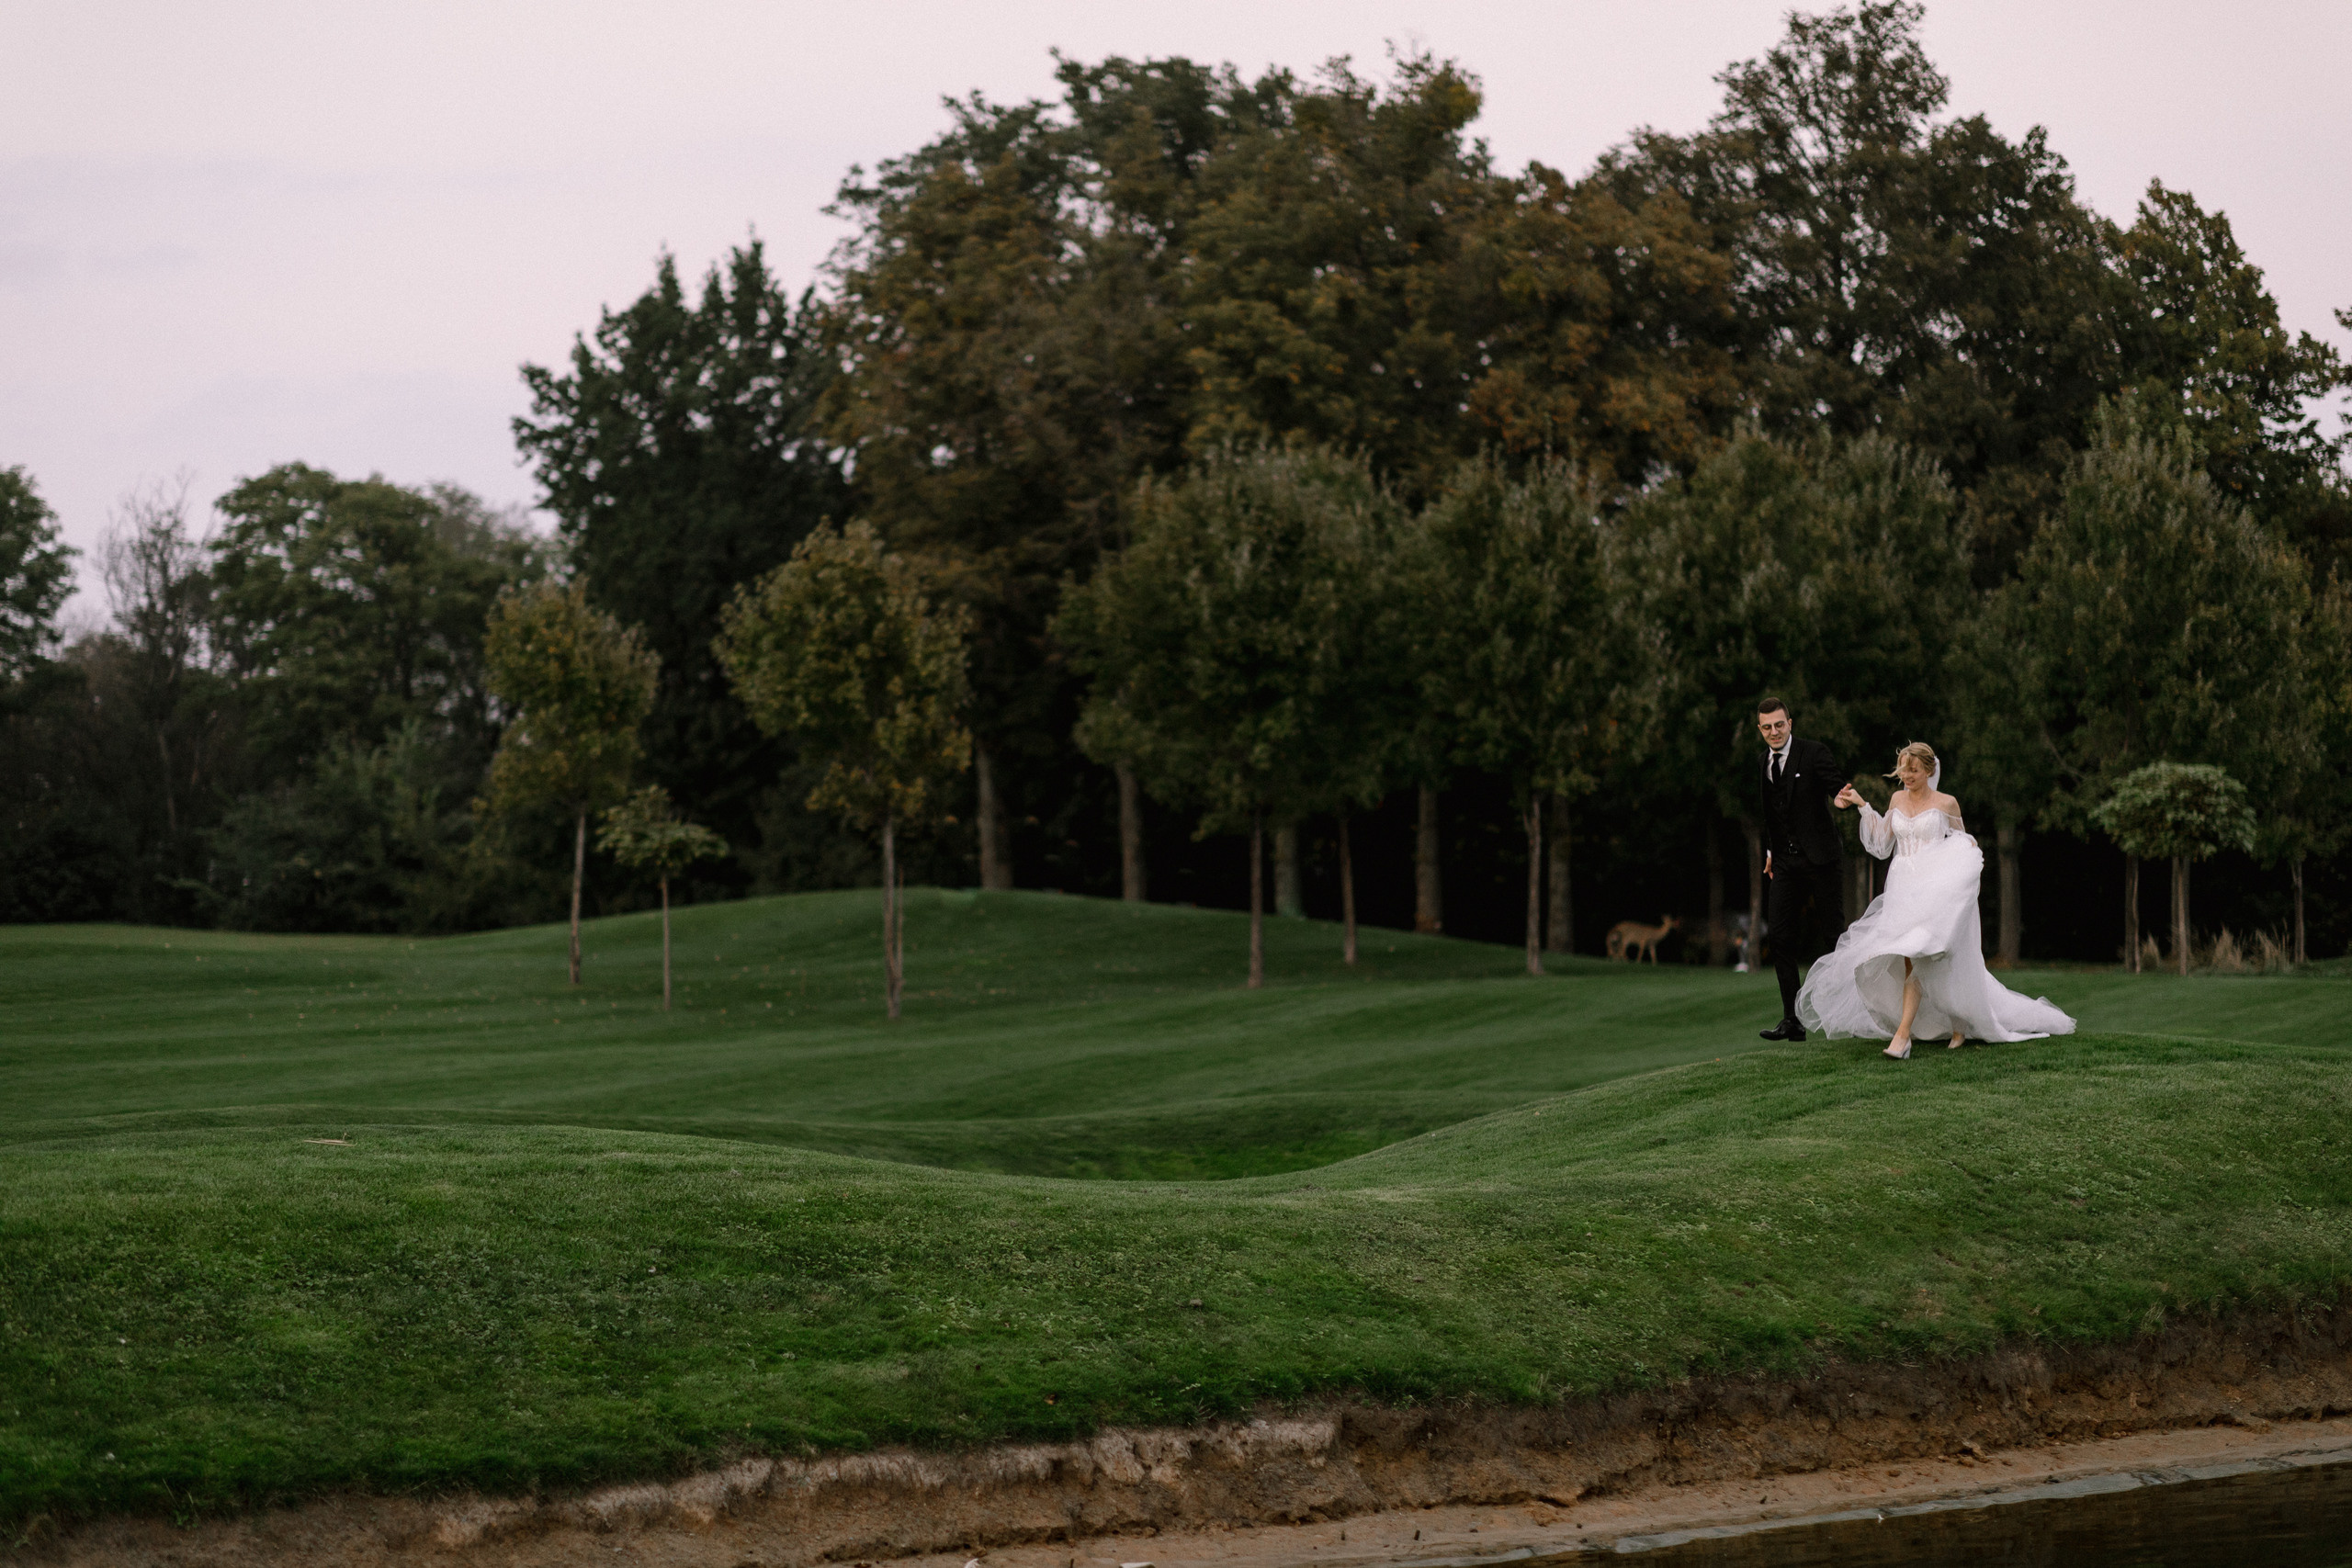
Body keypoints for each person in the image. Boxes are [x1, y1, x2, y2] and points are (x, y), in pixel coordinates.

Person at [1799, 741, 2076, 1057]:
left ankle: (1903, 1037)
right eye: (1903, 770)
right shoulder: (1897, 799)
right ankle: (1955, 1021)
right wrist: (1863, 805)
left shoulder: (1947, 803)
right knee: (1910, 960)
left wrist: (1966, 864)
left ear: (1929, 770)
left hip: (1934, 892)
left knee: (1922, 958)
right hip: (1902, 890)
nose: (1907, 776)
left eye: (1914, 770)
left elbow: (1963, 842)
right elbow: (1882, 842)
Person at [1754, 698, 1849, 1042]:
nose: (1774, 732)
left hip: (1821, 858)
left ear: (1790, 723)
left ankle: (1850, 1013)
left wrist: (1839, 797)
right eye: (1767, 727)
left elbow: (1835, 786)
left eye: (1779, 725)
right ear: (1760, 729)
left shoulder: (1813, 752)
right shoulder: (1763, 762)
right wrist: (1770, 850)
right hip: (1784, 862)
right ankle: (1792, 1021)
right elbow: (1772, 813)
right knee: (1780, 936)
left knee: (1834, 936)